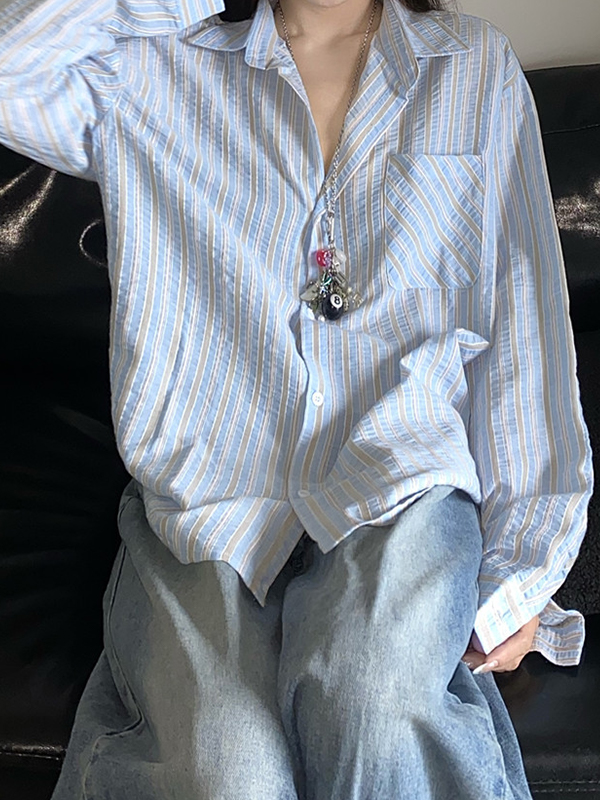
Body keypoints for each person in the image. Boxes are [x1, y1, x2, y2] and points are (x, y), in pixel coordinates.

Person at [0, 0, 593, 796]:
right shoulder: (149, 66)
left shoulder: (470, 66)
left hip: (400, 474)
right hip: (210, 491)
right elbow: (12, 63)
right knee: (224, 768)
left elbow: (524, 320)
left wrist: (523, 567)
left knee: (375, 701)